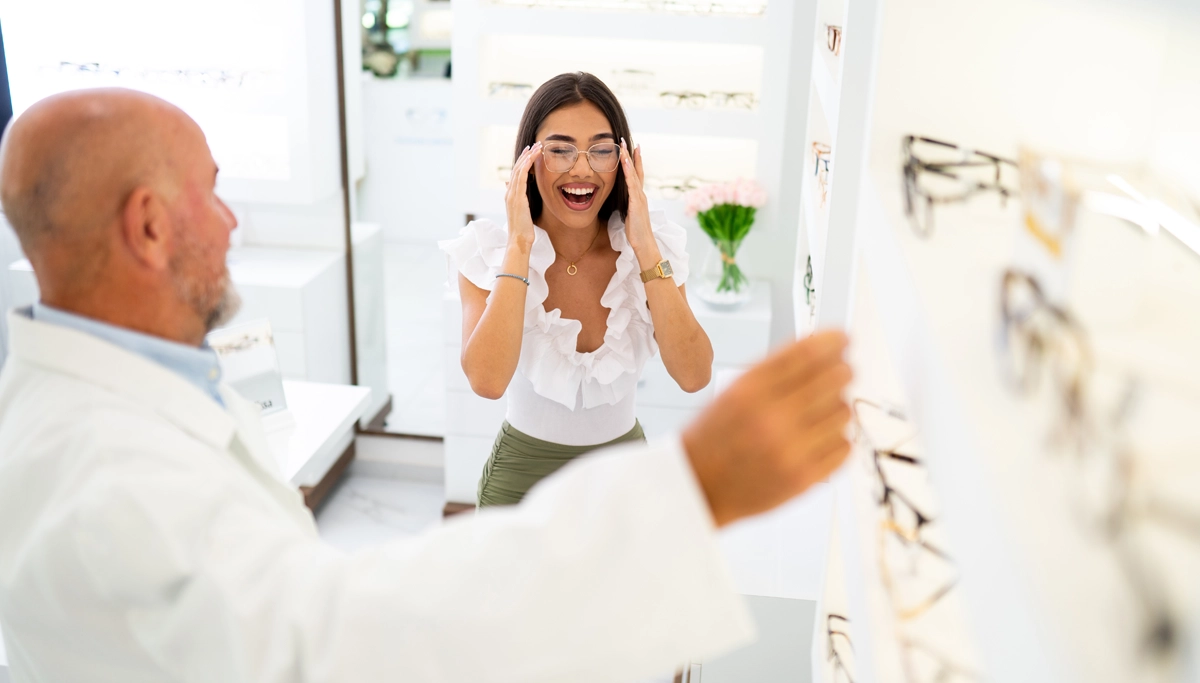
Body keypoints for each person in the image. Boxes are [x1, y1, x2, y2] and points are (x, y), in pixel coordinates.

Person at [0, 88, 854, 683]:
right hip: (533, 472)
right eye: (214, 194)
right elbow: (339, 637)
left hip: (611, 454)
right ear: (150, 225)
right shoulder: (109, 482)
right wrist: (693, 484)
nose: (233, 224)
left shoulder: (107, 399)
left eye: (601, 148)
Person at [442, 72, 714, 507]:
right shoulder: (487, 253)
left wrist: (645, 245)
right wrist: (519, 246)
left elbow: (694, 376)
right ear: (528, 159)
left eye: (601, 150)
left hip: (624, 485)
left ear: (623, 161)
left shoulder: (651, 253)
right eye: (560, 150)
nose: (582, 169)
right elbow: (487, 381)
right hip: (520, 486)